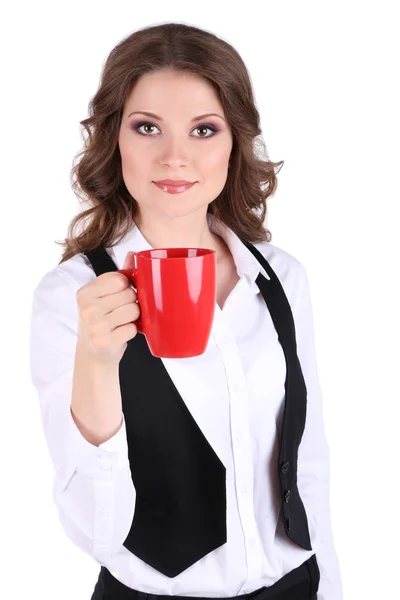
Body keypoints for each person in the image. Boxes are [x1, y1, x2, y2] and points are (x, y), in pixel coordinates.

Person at [29, 22, 343, 600]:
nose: (175, 157)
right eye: (147, 127)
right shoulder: (72, 296)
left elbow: (309, 464)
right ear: (114, 139)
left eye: (204, 129)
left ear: (234, 142)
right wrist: (97, 361)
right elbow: (98, 531)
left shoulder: (279, 278)